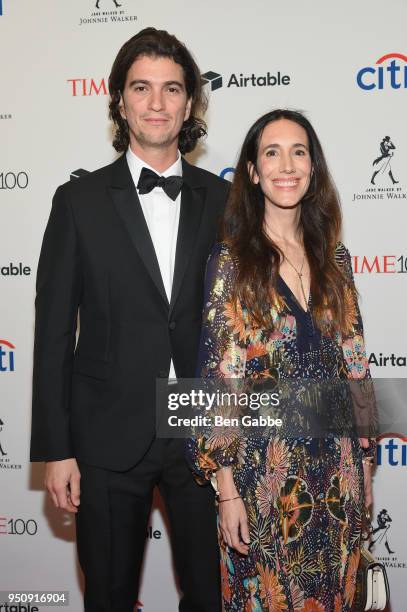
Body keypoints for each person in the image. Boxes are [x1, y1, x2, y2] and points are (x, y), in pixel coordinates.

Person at [31, 27, 229, 612]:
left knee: (212, 596)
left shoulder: (222, 203)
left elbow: (238, 328)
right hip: (105, 433)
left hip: (202, 431)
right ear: (120, 100)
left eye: (172, 90)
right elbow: (49, 333)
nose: (157, 103)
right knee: (109, 597)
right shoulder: (79, 202)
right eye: (142, 88)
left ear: (190, 103)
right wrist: (56, 449)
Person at [187, 109, 377, 611]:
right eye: (271, 152)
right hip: (264, 482)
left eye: (299, 152)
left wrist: (363, 468)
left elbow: (355, 368)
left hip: (337, 480)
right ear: (252, 171)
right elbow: (218, 384)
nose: (286, 164)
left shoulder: (336, 260)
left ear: (313, 169)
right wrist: (226, 490)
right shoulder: (231, 263)